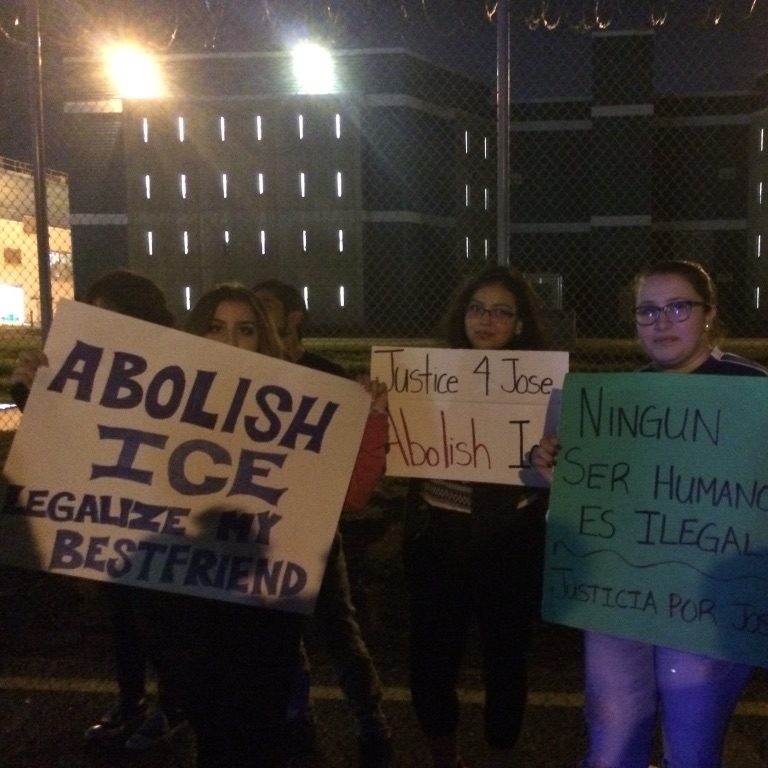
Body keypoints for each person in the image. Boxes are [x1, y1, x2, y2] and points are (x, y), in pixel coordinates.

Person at [531, 259, 768, 768]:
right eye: (647, 311)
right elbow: (596, 504)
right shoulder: (617, 402)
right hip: (624, 598)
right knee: (614, 721)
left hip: (710, 604)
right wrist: (563, 472)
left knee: (692, 732)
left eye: (678, 307)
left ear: (709, 315)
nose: (662, 322)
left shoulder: (752, 391)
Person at [9, 268, 187, 753]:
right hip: (112, 516)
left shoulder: (174, 366)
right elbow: (65, 433)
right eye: (94, 311)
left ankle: (172, 705)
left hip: (162, 518)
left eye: (110, 313)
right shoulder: (86, 365)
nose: (98, 321)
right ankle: (131, 700)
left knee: (159, 620)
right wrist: (32, 390)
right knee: (124, 615)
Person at [401, 265, 551, 768]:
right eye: (476, 309)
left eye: (501, 311)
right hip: (438, 534)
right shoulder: (425, 373)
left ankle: (498, 757)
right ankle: (445, 757)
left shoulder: (543, 385)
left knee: (506, 660)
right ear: (462, 315)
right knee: (431, 658)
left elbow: (566, 466)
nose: (487, 320)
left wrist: (557, 457)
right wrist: (384, 405)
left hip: (511, 536)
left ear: (521, 323)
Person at [254, 278, 394, 768]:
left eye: (266, 307)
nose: (259, 316)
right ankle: (297, 721)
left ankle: (369, 720)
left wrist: (371, 411)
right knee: (279, 635)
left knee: (338, 628)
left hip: (314, 529)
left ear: (295, 318)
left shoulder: (328, 381)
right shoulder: (242, 377)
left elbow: (354, 478)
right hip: (255, 534)